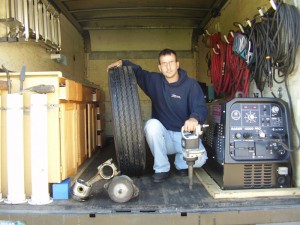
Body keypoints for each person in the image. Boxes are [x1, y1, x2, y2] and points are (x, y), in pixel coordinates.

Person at [107, 49, 208, 183]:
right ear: (159, 67)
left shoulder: (191, 85)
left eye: (171, 62)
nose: (168, 67)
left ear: (177, 64)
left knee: (201, 160)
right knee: (151, 125)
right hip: (164, 137)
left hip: (184, 136)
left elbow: (200, 106)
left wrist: (194, 118)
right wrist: (123, 62)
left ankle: (181, 163)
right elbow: (138, 72)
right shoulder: (154, 81)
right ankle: (162, 168)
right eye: (164, 64)